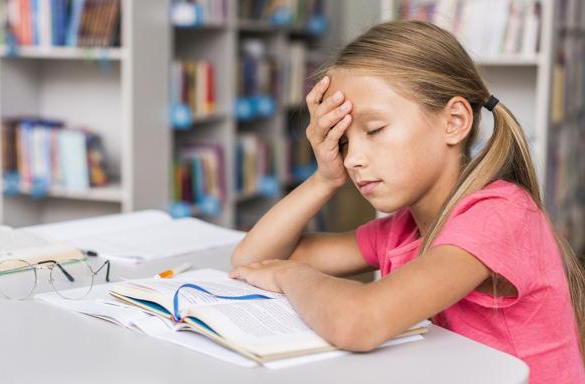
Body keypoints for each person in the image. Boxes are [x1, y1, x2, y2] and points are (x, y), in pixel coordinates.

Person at [229, 21, 585, 383]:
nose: (353, 159)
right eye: (343, 142)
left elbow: (359, 322)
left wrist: (291, 275)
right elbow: (253, 260)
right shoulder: (401, 229)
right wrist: (324, 178)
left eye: (374, 130)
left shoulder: (499, 215)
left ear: (454, 121)